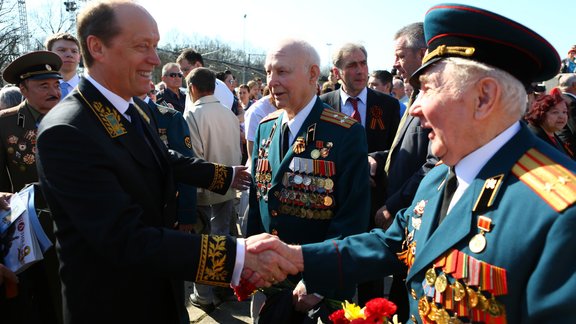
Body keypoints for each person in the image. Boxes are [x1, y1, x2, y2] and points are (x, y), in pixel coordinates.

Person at [246, 3, 574, 324]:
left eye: (428, 90)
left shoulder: (561, 214)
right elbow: (392, 243)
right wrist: (297, 257)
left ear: (484, 98)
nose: (415, 109)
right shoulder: (440, 178)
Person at [34, 1, 296, 323]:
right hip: (116, 304)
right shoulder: (67, 130)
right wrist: (238, 256)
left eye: (155, 46)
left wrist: (224, 175)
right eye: (142, 46)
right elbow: (123, 237)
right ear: (97, 47)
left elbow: (162, 158)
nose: (155, 60)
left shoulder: (132, 109)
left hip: (160, 285)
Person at [246, 38, 371, 322]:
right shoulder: (267, 127)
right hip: (269, 279)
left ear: (313, 74)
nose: (271, 81)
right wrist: (250, 260)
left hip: (317, 290)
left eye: (282, 72)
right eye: (268, 72)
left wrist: (319, 280)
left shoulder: (345, 133)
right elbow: (258, 201)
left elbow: (352, 218)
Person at [0, 51, 63, 324]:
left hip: (78, 224)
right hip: (32, 232)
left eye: (56, 84)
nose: (54, 91)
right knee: (44, 298)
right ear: (23, 89)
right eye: (43, 86)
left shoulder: (74, 117)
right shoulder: (6, 123)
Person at [184, 67, 242, 312]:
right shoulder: (229, 114)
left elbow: (195, 156)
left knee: (204, 243)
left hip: (205, 187)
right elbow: (238, 152)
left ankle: (203, 294)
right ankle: (222, 286)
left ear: (192, 88)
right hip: (229, 185)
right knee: (222, 237)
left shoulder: (193, 115)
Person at [139, 81, 198, 233]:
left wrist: (186, 214)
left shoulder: (170, 118)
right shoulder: (114, 114)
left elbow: (186, 167)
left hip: (164, 210)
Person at [525, 89, 574, 157]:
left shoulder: (552, 134)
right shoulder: (533, 138)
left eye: (564, 112)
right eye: (555, 112)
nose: (562, 116)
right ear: (541, 113)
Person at [45, 32, 81, 100]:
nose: (69, 55)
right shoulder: (36, 91)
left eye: (74, 51)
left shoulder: (93, 88)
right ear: (49, 55)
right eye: (62, 50)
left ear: (79, 57)